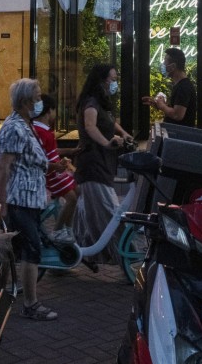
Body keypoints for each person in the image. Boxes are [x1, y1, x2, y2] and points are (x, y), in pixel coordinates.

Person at [0, 78, 57, 321]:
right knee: (31, 249)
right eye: (37, 97)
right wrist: (0, 204)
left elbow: (33, 160)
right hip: (19, 199)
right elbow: (4, 167)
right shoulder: (14, 127)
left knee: (17, 249)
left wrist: (54, 166)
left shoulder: (25, 124)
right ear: (25, 101)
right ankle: (30, 304)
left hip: (31, 198)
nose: (40, 101)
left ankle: (3, 293)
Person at [72, 64, 134, 265]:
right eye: (112, 78)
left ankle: (79, 251)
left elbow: (108, 121)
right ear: (101, 80)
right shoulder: (90, 103)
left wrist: (123, 133)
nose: (114, 82)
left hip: (103, 163)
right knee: (109, 209)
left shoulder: (100, 102)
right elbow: (90, 126)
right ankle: (123, 255)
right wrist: (107, 143)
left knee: (87, 211)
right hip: (93, 163)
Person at [32, 94, 77, 243]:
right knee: (72, 198)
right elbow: (41, 158)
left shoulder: (45, 131)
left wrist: (69, 152)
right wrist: (57, 166)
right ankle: (58, 231)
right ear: (49, 111)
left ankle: (68, 228)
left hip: (56, 170)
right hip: (52, 174)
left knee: (77, 192)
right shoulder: (40, 132)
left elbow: (52, 152)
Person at [142, 47, 197, 127]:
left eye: (165, 63)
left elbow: (177, 115)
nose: (163, 65)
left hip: (179, 136)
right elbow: (175, 109)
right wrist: (158, 104)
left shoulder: (183, 87)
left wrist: (163, 106)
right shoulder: (179, 85)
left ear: (173, 66)